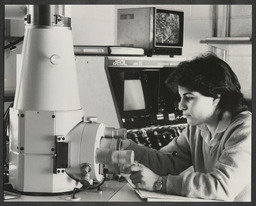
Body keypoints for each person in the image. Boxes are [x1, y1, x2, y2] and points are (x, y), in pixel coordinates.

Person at [122, 53, 251, 201]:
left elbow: (222, 186)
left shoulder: (245, 131)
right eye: (181, 97)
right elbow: (167, 161)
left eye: (189, 98)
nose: (180, 105)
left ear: (216, 97)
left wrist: (159, 183)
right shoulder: (198, 127)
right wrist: (127, 147)